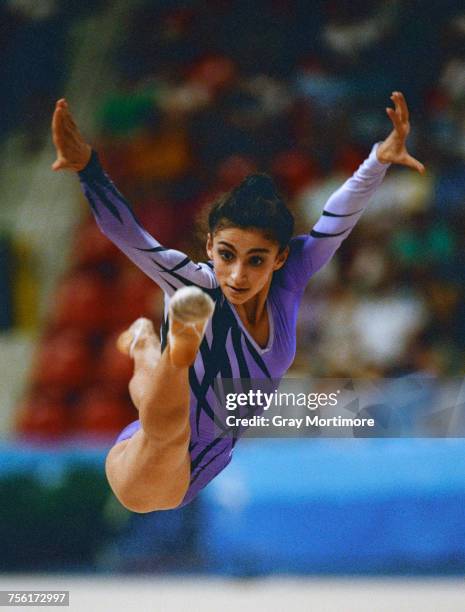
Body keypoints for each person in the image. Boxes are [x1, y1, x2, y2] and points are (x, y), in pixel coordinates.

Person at [51, 92, 425, 513]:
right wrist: (88, 169)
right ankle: (174, 351)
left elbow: (338, 219)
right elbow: (129, 234)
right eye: (226, 255)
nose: (237, 275)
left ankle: (147, 346)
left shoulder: (289, 282)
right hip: (148, 461)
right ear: (209, 246)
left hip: (201, 464)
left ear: (280, 257)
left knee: (168, 413)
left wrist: (379, 158)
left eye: (257, 260)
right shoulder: (193, 281)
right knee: (168, 430)